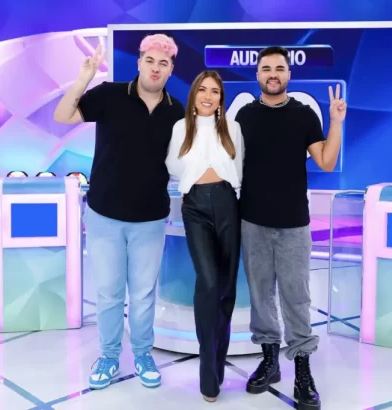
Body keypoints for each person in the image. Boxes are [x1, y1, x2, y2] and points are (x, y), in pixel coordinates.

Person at [53, 34, 185, 390]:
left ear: (171, 69)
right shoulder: (110, 94)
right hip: (104, 214)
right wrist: (84, 77)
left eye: (164, 63)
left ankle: (142, 354)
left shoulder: (177, 110)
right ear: (139, 62)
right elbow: (62, 115)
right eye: (150, 61)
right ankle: (109, 356)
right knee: (109, 292)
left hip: (151, 218)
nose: (156, 68)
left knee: (143, 294)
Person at [235, 46, 346, 410]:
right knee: (260, 293)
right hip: (252, 220)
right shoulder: (244, 117)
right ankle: (269, 360)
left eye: (279, 68)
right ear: (257, 75)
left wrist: (336, 121)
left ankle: (302, 368)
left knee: (296, 297)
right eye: (266, 68)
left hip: (294, 222)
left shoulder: (303, 116)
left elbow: (327, 163)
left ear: (288, 74)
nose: (273, 73)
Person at [165, 70, 244, 402]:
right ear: (194, 94)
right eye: (202, 90)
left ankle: (217, 368)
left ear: (221, 98)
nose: (208, 96)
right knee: (208, 281)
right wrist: (193, 177)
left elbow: (239, 167)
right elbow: (172, 163)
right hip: (195, 206)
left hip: (228, 204)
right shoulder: (182, 128)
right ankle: (206, 369)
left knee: (226, 290)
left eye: (214, 91)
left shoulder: (233, 129)